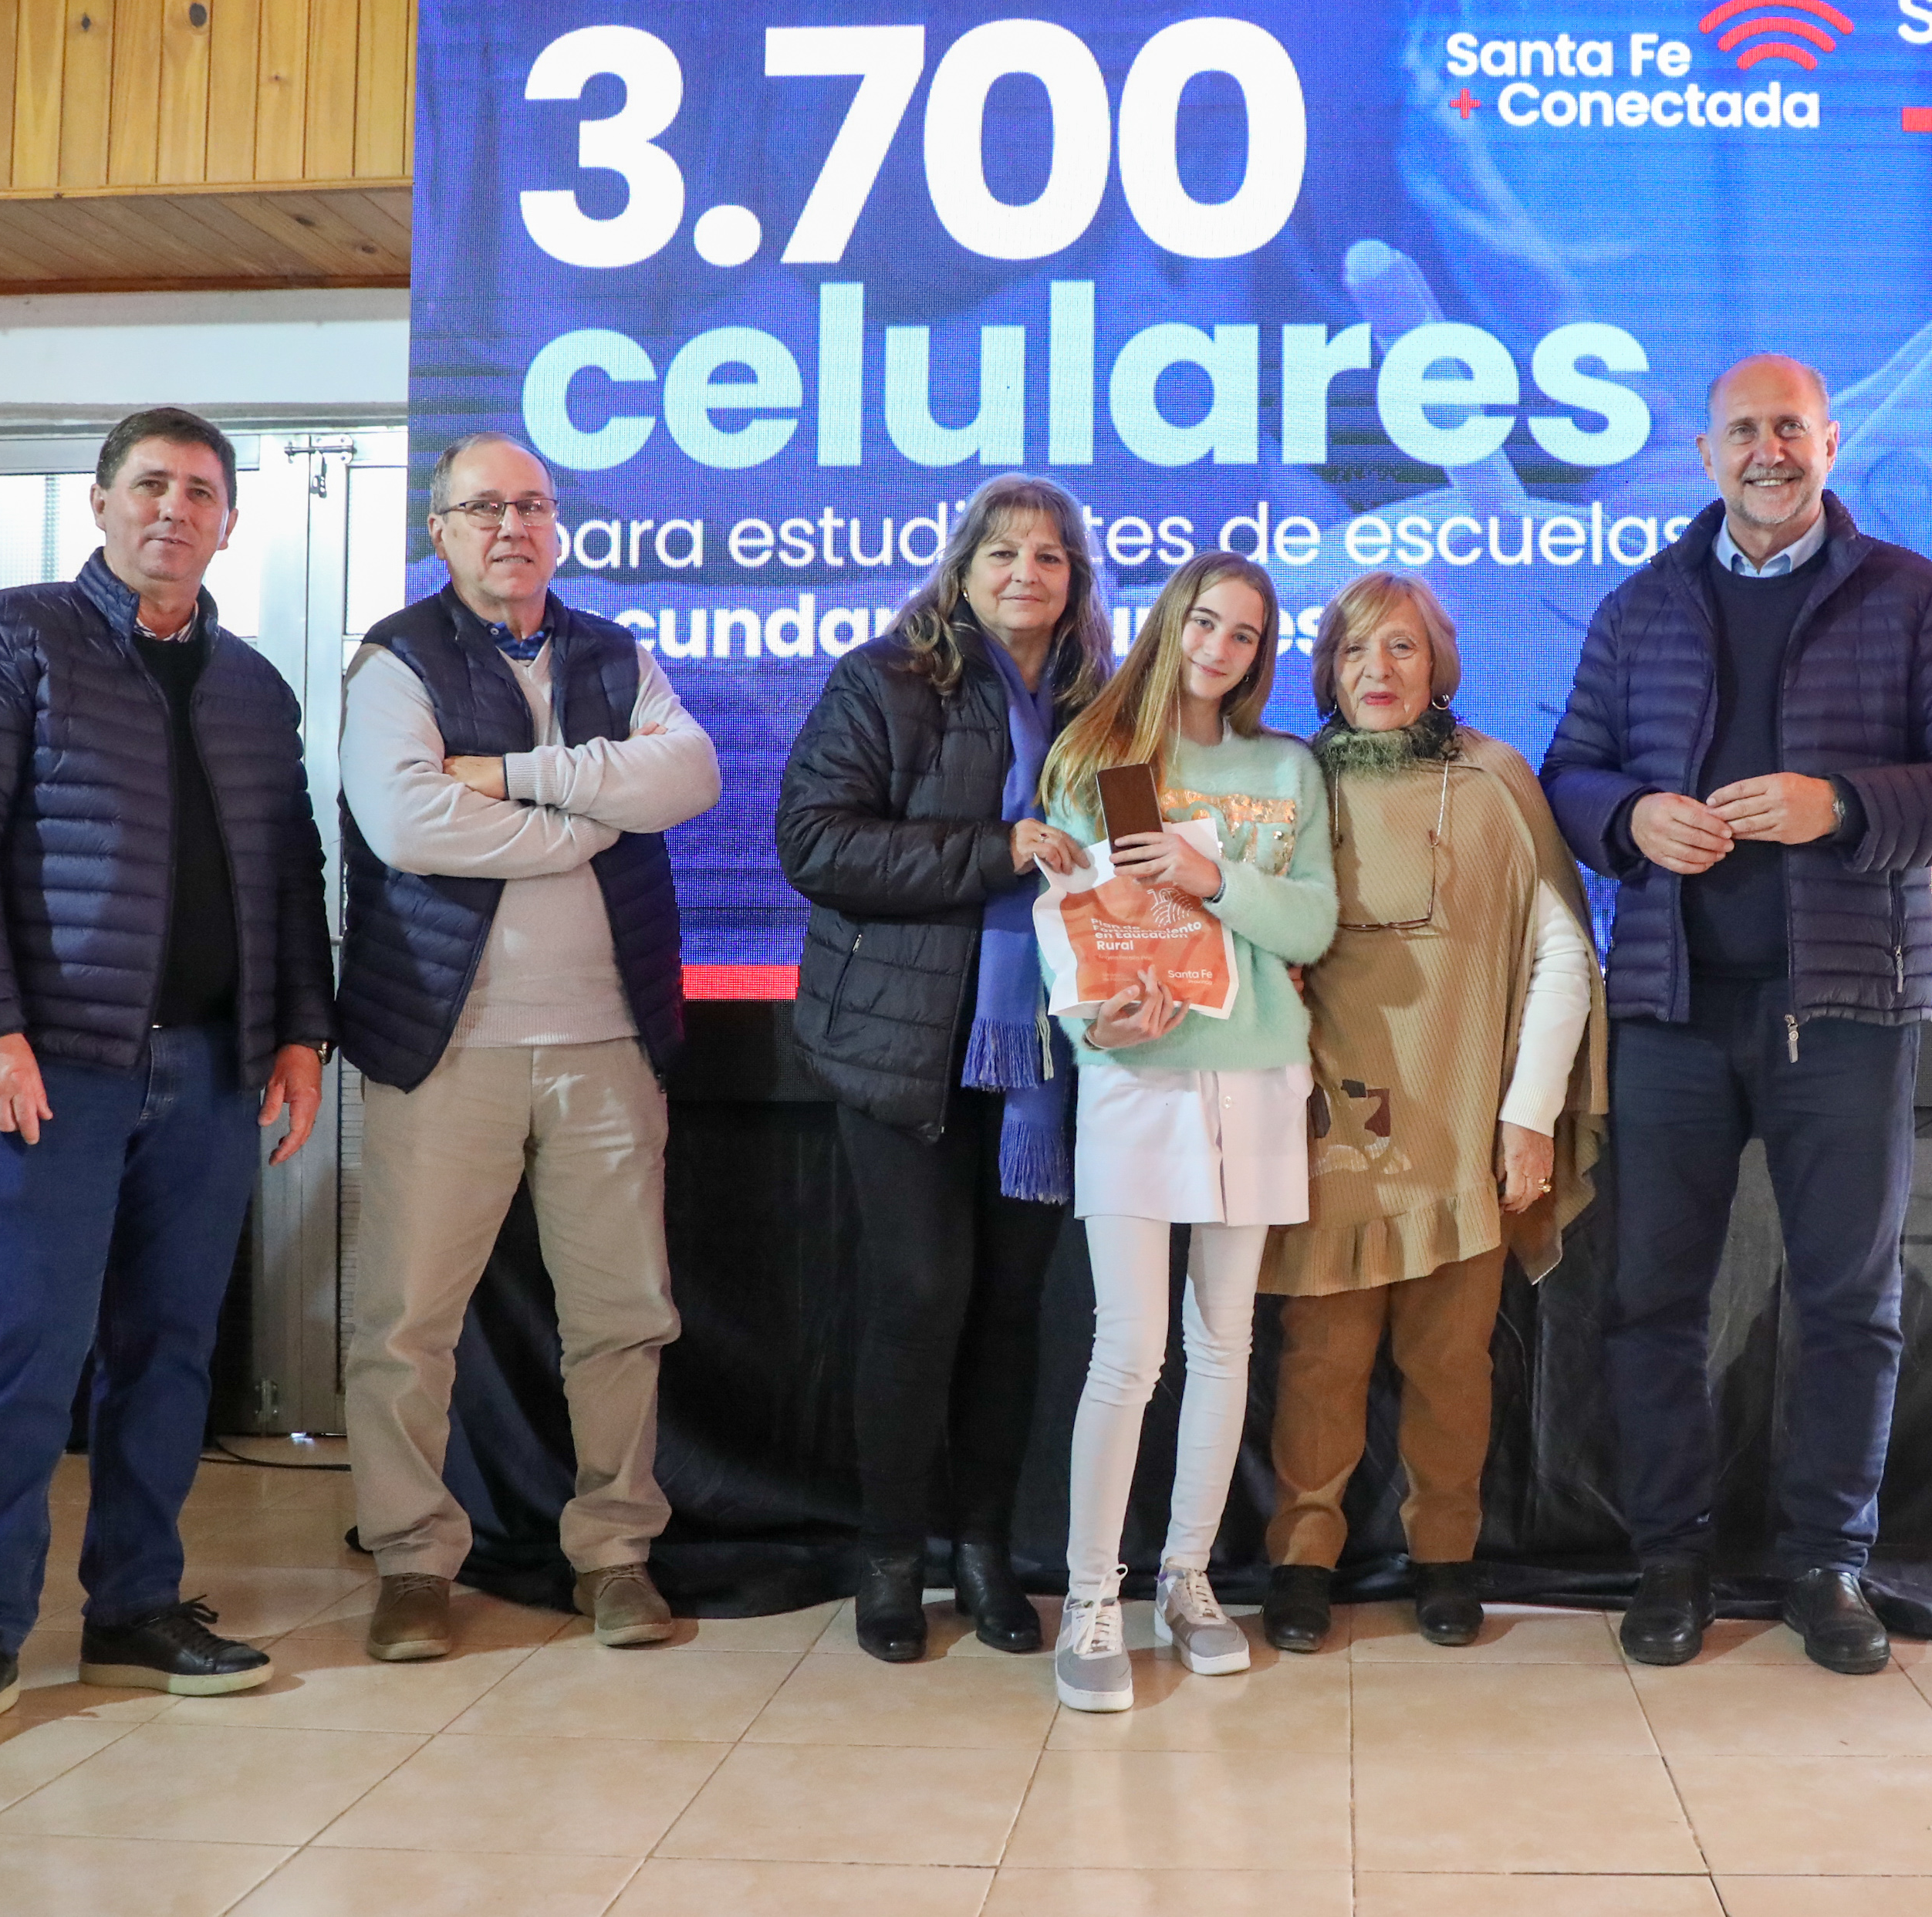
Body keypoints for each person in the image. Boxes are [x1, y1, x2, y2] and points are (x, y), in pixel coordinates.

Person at [1543, 354, 1932, 1674]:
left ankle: (1827, 1564)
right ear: (1704, 455)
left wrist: (1845, 805)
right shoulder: (1640, 606)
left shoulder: (1911, 596)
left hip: (1848, 1013)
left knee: (1847, 1304)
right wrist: (1626, 819)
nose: (1768, 451)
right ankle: (1669, 1559)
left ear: (1829, 442)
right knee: (1650, 1302)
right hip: (1670, 1011)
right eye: (1743, 431)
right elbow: (1569, 774)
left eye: (1790, 429)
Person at [0, 407, 334, 1760]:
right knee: (20, 1352)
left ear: (229, 523)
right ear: (99, 503)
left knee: (169, 1354)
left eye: (200, 492)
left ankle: (134, 1610)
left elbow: (290, 870)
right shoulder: (3, 639)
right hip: (52, 1069)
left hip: (211, 1070)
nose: (173, 510)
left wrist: (299, 1034)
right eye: (150, 484)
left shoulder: (252, 687)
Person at [335, 432, 721, 1662]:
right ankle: (410, 1560)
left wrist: (513, 776)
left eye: (532, 507)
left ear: (557, 527)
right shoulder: (395, 657)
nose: (511, 528)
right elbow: (407, 823)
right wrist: (582, 824)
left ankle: (614, 1554)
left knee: (623, 1316)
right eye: (483, 509)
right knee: (405, 1324)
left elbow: (689, 777)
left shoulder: (615, 651)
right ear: (439, 531)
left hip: (610, 1041)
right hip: (445, 1044)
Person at [775, 474, 1110, 1661]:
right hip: (900, 1048)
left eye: (1050, 556)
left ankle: (982, 1553)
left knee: (1013, 1314)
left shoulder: (1102, 708)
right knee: (919, 1300)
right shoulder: (885, 679)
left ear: (1075, 582)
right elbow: (813, 842)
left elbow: (1128, 855)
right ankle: (889, 1559)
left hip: (1047, 1063)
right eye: (1002, 552)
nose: (1026, 572)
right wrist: (993, 851)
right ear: (961, 570)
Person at [1257, 573, 1606, 1653]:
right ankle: (1301, 1560)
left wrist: (1531, 1115)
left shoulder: (1498, 780)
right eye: (1355, 649)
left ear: (1439, 664)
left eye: (1402, 647)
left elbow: (1562, 957)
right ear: (1327, 669)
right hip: (1327, 1124)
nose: (1378, 670)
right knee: (1320, 1356)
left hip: (1466, 1114)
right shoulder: (1287, 783)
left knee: (1452, 1360)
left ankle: (1445, 1558)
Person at [1040, 552, 1337, 1713]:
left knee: (1224, 1346)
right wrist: (1095, 1028)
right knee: (1128, 1350)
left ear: (1262, 654)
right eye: (1204, 623)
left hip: (1256, 1076)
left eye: (1244, 635)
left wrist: (1216, 878)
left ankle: (1187, 1578)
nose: (1218, 648)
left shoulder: (1286, 767)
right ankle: (1090, 1599)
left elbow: (1310, 927)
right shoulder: (1105, 760)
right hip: (1138, 1081)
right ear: (1170, 625)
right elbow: (1077, 928)